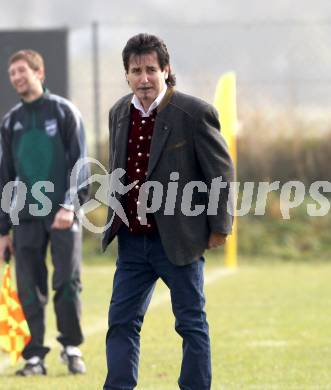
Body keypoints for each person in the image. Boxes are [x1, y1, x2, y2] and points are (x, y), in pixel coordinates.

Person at [102, 33, 234, 390]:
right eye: (135, 71)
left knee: (191, 323)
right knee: (121, 322)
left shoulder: (194, 113)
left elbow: (220, 172)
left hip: (179, 240)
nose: (144, 78)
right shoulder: (117, 113)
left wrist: (219, 226)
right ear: (126, 74)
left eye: (150, 70)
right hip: (132, 243)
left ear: (166, 70)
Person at [0, 49, 89, 376]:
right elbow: (5, 178)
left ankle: (71, 347)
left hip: (63, 215)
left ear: (39, 73)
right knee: (28, 287)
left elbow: (81, 164)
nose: (17, 77)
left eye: (22, 71)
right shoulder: (10, 122)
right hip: (25, 218)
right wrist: (2, 231)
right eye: (12, 74)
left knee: (67, 282)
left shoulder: (65, 112)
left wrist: (70, 205)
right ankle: (34, 357)